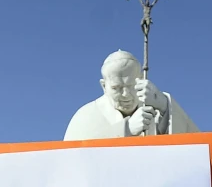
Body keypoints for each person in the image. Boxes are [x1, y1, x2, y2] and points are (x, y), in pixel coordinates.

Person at [63, 50, 199, 140]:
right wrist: (127, 129)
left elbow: (198, 146)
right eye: (116, 88)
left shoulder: (157, 110)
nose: (125, 94)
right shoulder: (86, 116)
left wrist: (165, 106)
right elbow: (73, 157)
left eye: (131, 86)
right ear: (104, 86)